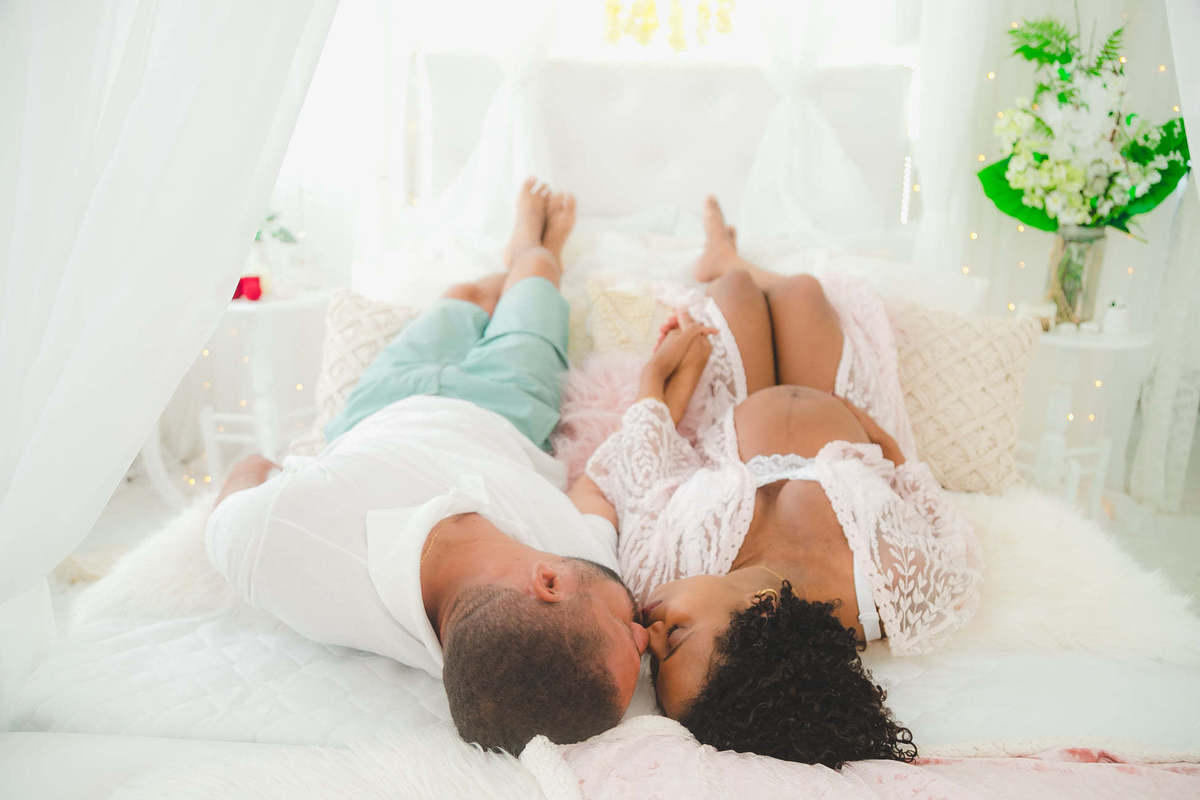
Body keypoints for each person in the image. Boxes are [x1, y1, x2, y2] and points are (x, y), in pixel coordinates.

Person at [205, 179, 649, 756]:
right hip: (509, 402)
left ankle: (514, 262)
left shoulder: (277, 540)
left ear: (548, 584)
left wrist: (277, 469)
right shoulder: (580, 556)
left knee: (464, 294)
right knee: (537, 269)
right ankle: (533, 251)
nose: (645, 637)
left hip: (377, 408)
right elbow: (596, 484)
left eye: (629, 637)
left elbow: (246, 473)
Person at [572, 197, 983, 767]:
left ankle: (725, 261)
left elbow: (643, 479)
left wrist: (656, 378)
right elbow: (946, 532)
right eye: (676, 640)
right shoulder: (896, 593)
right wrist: (888, 447)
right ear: (762, 610)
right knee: (804, 292)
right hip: (842, 405)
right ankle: (731, 259)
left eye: (654, 661)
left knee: (736, 290)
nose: (651, 635)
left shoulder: (660, 575)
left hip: (737, 409)